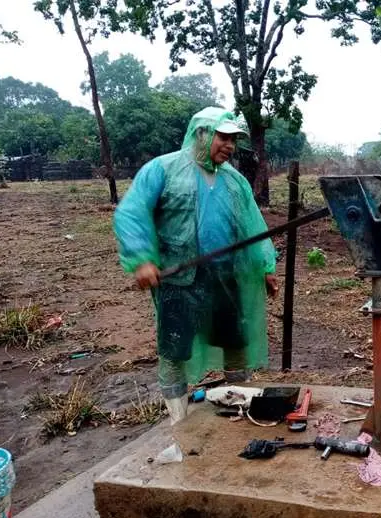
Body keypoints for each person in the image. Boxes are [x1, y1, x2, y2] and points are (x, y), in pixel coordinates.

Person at [113, 107, 278, 424]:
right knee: (175, 350)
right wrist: (142, 260)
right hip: (180, 281)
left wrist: (266, 265)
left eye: (233, 140)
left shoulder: (235, 181)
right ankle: (179, 421)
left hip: (226, 279)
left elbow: (253, 226)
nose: (230, 146)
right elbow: (131, 214)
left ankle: (238, 411)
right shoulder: (163, 169)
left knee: (235, 344)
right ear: (202, 133)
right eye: (224, 137)